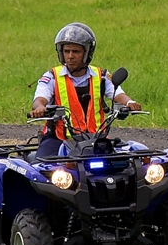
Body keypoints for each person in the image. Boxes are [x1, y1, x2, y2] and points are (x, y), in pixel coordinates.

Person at [29, 23, 140, 155]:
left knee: (124, 165)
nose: (70, 56)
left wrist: (129, 103)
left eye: (76, 51)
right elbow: (39, 99)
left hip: (96, 140)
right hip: (59, 139)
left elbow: (118, 94)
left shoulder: (101, 76)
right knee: (41, 169)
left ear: (87, 53)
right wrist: (40, 108)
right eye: (66, 51)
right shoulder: (52, 76)